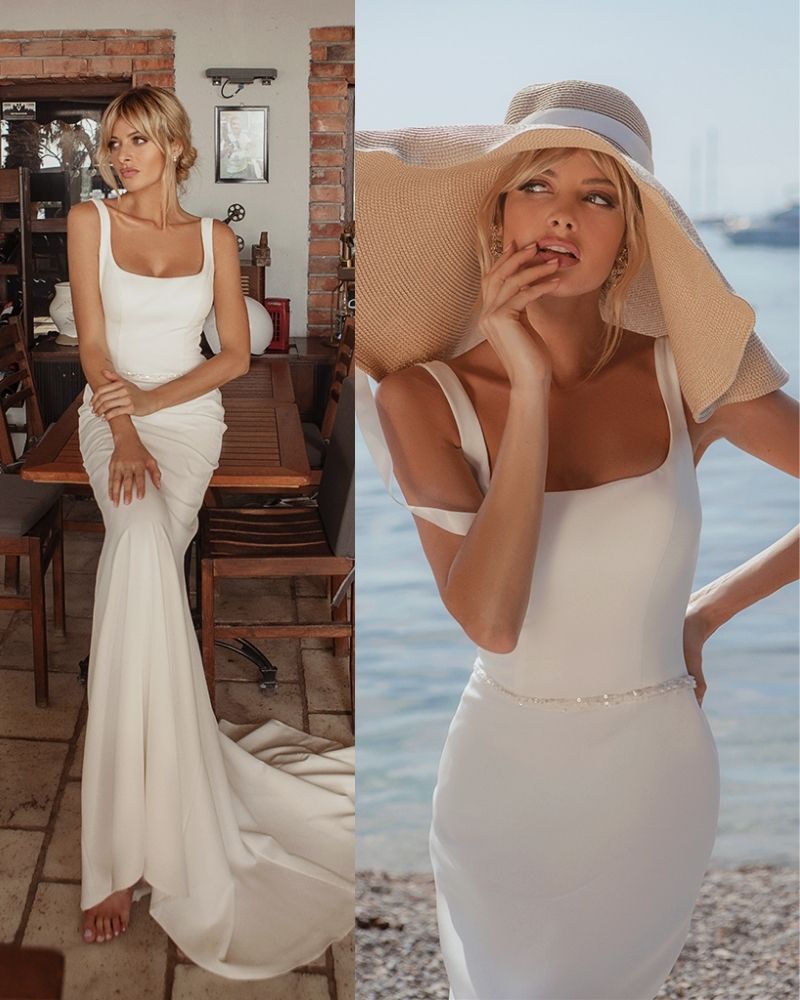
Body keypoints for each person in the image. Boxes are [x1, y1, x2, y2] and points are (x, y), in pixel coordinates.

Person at [355, 80, 798, 999]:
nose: (562, 216)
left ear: (630, 240)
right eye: (536, 186)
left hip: (656, 780)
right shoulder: (419, 399)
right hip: (503, 784)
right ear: (496, 218)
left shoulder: (688, 376)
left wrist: (706, 614)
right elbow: (491, 621)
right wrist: (528, 384)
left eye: (598, 196)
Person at [68, 85, 354, 979]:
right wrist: (120, 427)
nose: (124, 156)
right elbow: (90, 347)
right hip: (108, 416)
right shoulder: (90, 223)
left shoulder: (215, 242)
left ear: (177, 147)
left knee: (145, 554)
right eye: (115, 142)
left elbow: (234, 355)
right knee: (138, 544)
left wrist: (153, 409)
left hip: (187, 422)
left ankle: (139, 832)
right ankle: (118, 857)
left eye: (140, 140)